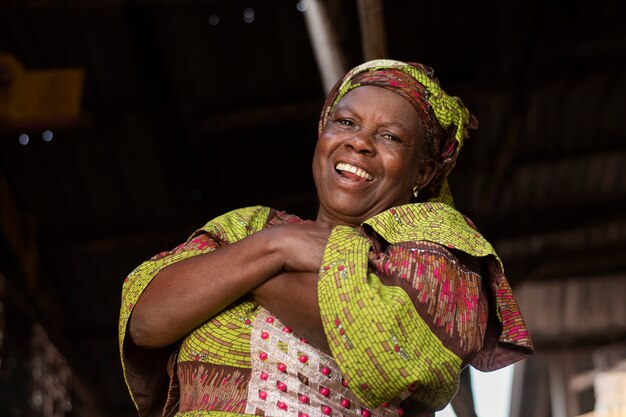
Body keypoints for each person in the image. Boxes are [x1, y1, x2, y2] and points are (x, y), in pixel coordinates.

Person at [118, 59, 534, 417]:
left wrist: (240, 272)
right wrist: (277, 245)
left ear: (423, 173)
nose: (359, 142)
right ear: (323, 135)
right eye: (346, 122)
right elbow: (147, 320)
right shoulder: (250, 226)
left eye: (389, 136)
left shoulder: (439, 246)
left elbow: (386, 346)